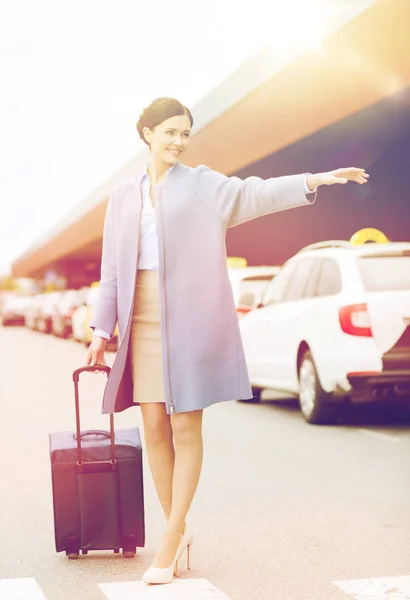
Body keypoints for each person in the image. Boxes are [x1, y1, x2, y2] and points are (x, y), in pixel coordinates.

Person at [86, 97, 369, 584]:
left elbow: (253, 193)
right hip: (143, 321)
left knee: (184, 428)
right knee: (153, 426)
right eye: (170, 131)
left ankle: (170, 538)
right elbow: (112, 268)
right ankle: (181, 529)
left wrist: (313, 181)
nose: (178, 141)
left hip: (189, 320)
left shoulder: (201, 185)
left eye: (185, 133)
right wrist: (99, 329)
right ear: (147, 133)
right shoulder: (122, 196)